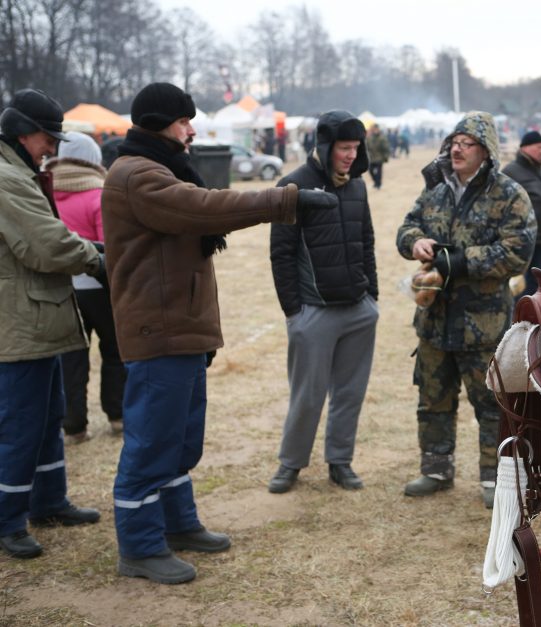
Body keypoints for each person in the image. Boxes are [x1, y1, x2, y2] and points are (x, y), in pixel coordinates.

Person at [102, 82, 337, 584]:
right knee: (151, 441)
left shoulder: (159, 168)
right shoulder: (138, 175)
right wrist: (286, 200)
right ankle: (140, 547)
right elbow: (204, 209)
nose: (191, 129)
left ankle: (177, 524)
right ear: (158, 123)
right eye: (183, 120)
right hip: (158, 328)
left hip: (180, 326)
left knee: (181, 439)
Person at [396, 111, 535, 508]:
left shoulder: (509, 195)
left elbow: (517, 253)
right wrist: (416, 242)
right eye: (453, 141)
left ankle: (495, 477)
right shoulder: (437, 191)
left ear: (485, 151)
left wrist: (459, 261)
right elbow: (406, 228)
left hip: (483, 325)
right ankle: (436, 469)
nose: (457, 148)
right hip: (435, 321)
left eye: (466, 143)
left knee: (492, 405)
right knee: (433, 398)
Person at [0, 89, 105, 559]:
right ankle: (7, 520)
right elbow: (48, 245)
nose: (53, 148)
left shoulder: (20, 172)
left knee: (46, 418)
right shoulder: (7, 179)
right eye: (48, 138)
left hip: (37, 319)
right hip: (19, 324)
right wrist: (98, 258)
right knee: (21, 424)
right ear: (23, 133)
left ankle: (47, 501)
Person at [267, 110, 379, 494]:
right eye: (344, 147)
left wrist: (372, 296)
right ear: (325, 146)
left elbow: (366, 241)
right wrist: (294, 313)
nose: (350, 155)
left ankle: (340, 462)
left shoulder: (358, 186)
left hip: (358, 310)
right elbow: (280, 254)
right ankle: (290, 463)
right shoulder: (292, 186)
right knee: (308, 395)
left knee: (350, 393)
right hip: (313, 313)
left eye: (355, 147)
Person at [44, 131, 126, 443]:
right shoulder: (98, 195)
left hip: (62, 288)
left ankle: (74, 425)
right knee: (115, 349)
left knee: (71, 357)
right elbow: (110, 247)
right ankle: (117, 415)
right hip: (98, 286)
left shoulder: (44, 195)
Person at [502, 130, 541, 298]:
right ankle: (516, 318)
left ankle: (530, 317)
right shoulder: (510, 171)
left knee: (538, 283)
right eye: (539, 147)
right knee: (522, 284)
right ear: (525, 147)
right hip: (521, 239)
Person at [365, 124, 390, 189]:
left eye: (376, 129)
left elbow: (386, 148)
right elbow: (366, 147)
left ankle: (378, 184)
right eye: (374, 129)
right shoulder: (369, 138)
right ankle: (376, 182)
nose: (375, 130)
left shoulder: (382, 138)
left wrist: (386, 157)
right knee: (370, 170)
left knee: (379, 172)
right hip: (371, 158)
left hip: (379, 158)